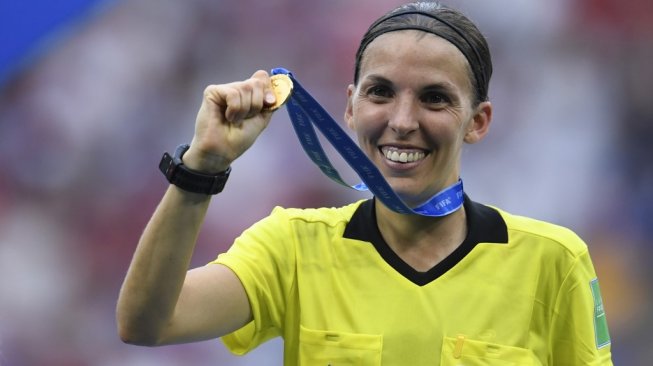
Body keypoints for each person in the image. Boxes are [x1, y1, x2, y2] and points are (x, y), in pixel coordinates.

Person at [116, 2, 614, 365]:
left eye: (434, 99)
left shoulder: (553, 261)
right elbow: (146, 322)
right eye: (381, 92)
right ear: (351, 107)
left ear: (478, 121)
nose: (402, 120)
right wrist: (200, 167)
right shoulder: (292, 248)